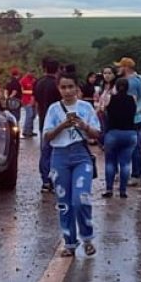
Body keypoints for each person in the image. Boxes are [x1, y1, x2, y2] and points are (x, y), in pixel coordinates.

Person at [42, 72, 101, 257]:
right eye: (63, 87)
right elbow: (46, 136)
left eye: (70, 87)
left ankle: (87, 238)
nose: (67, 91)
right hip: (59, 156)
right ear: (59, 89)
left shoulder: (86, 107)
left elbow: (97, 134)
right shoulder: (53, 109)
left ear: (77, 88)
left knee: (80, 198)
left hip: (81, 156)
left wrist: (83, 125)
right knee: (64, 203)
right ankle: (69, 242)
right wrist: (62, 125)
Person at [101, 78, 137, 198]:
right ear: (128, 87)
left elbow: (102, 109)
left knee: (110, 163)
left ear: (116, 87)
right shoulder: (133, 99)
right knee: (126, 164)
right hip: (129, 134)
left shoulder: (111, 98)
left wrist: (106, 92)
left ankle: (109, 189)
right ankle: (123, 191)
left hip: (113, 133)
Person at [114, 57, 141, 185]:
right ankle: (135, 174)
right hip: (136, 117)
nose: (118, 69)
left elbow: (130, 100)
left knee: (132, 147)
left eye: (120, 66)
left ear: (126, 67)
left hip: (130, 118)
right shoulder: (138, 80)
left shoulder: (130, 82)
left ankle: (135, 175)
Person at [34, 58, 62, 192]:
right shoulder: (58, 84)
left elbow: (37, 101)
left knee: (44, 152)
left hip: (43, 121)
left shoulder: (38, 82)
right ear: (57, 70)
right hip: (58, 123)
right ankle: (55, 180)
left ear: (44, 68)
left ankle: (45, 181)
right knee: (56, 152)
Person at [19, 71, 37, 137]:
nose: (33, 74)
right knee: (29, 115)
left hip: (34, 100)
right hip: (26, 100)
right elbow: (22, 90)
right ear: (28, 72)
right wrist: (32, 92)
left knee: (34, 115)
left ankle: (30, 131)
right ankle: (25, 131)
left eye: (33, 72)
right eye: (31, 72)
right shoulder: (23, 80)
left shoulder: (34, 80)